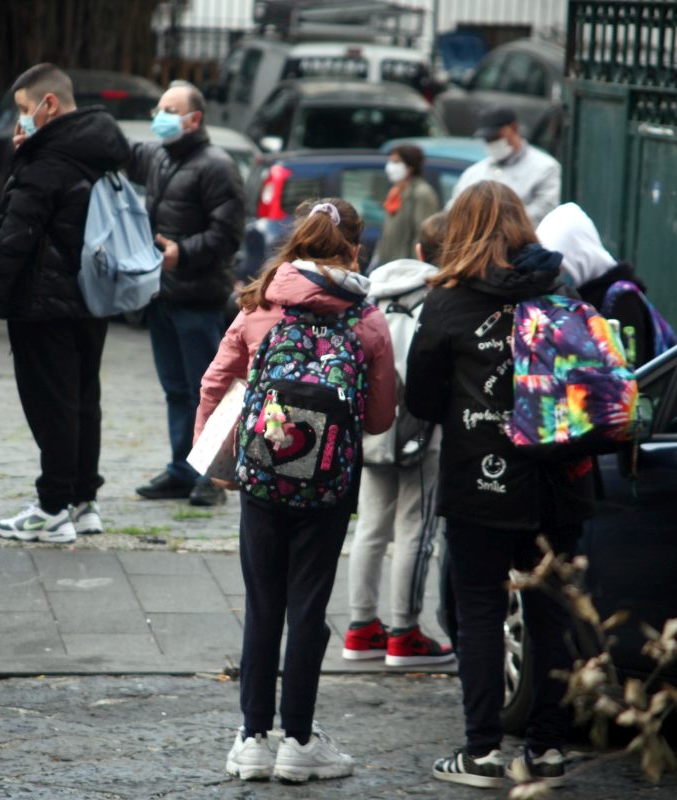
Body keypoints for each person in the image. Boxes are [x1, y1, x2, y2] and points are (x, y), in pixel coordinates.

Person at [197, 198, 396, 784]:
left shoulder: (262, 305)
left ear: (297, 243)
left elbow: (216, 380)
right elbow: (381, 417)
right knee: (308, 608)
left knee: (263, 604)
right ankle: (299, 742)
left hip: (261, 475)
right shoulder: (367, 320)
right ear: (354, 250)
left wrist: (215, 458)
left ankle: (252, 738)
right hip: (330, 486)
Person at [405, 181, 593, 789]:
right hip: (558, 478)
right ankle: (549, 748)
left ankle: (482, 751)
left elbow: (425, 400)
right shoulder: (560, 291)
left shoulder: (448, 302)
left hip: (480, 479)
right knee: (549, 613)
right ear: (522, 226)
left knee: (480, 611)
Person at [0, 63, 130, 544]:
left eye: (25, 109)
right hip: (94, 297)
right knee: (84, 401)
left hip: (43, 305)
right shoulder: (104, 151)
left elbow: (13, 241)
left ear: (49, 105)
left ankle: (52, 508)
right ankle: (84, 503)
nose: (22, 120)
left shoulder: (44, 164)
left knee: (52, 406)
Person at [342, 211, 455, 669]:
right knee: (415, 529)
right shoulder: (444, 300)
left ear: (420, 251)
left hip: (373, 424)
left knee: (370, 526)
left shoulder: (370, 292)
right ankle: (404, 632)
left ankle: (360, 626)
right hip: (422, 430)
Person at [127, 80, 246, 508]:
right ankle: (181, 470)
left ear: (194, 119)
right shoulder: (160, 157)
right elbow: (117, 152)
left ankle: (211, 478)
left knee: (207, 391)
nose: (159, 116)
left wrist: (184, 253)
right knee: (177, 390)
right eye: (159, 107)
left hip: (200, 298)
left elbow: (228, 234)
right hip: (163, 296)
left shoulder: (216, 165)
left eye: (169, 109)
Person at [537, 202, 667, 369]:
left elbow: (631, 371)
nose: (556, 277)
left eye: (561, 269)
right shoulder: (579, 298)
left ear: (579, 257)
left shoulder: (621, 300)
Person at [449, 106, 560, 225]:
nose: (492, 142)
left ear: (514, 128)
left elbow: (544, 212)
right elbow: (453, 210)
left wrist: (494, 226)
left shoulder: (545, 168)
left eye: (496, 137)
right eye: (487, 139)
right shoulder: (474, 173)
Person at [373, 144, 440, 265]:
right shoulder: (395, 191)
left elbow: (423, 236)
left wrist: (416, 267)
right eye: (391, 161)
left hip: (407, 268)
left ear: (410, 167)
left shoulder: (422, 193)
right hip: (390, 265)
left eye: (396, 162)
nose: (391, 166)